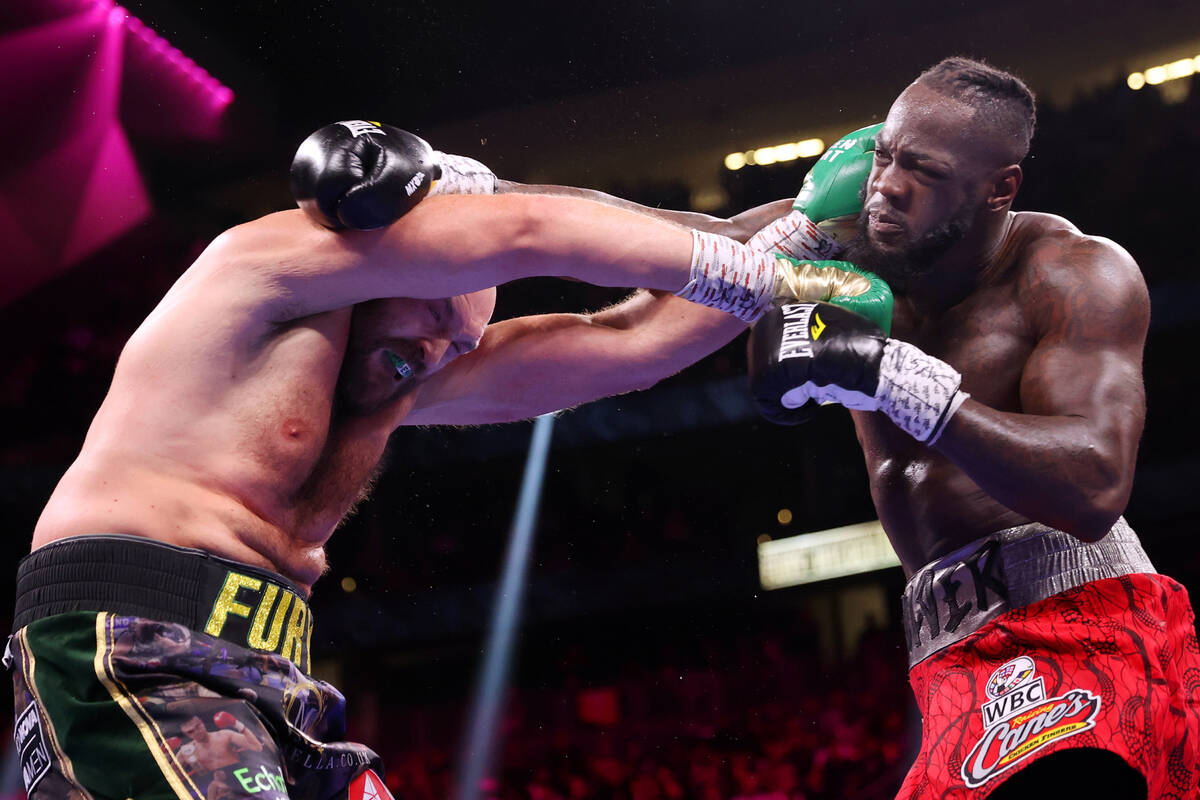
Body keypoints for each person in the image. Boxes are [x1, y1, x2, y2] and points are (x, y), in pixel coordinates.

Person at [8, 120, 889, 800]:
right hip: (129, 649)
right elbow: (534, 227)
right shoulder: (258, 272)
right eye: (432, 314)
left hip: (277, 674)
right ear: (384, 253)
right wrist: (772, 286)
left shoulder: (402, 374)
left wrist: (804, 239)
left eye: (460, 339)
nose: (439, 351)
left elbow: (632, 340)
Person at [749, 57, 1200, 799]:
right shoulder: (847, 237)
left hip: (1082, 627)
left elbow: (1095, 486)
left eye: (921, 170)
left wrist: (896, 379)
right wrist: (497, 198)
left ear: (1000, 187)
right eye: (884, 154)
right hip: (948, 655)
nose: (886, 184)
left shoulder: (1070, 273)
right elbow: (684, 242)